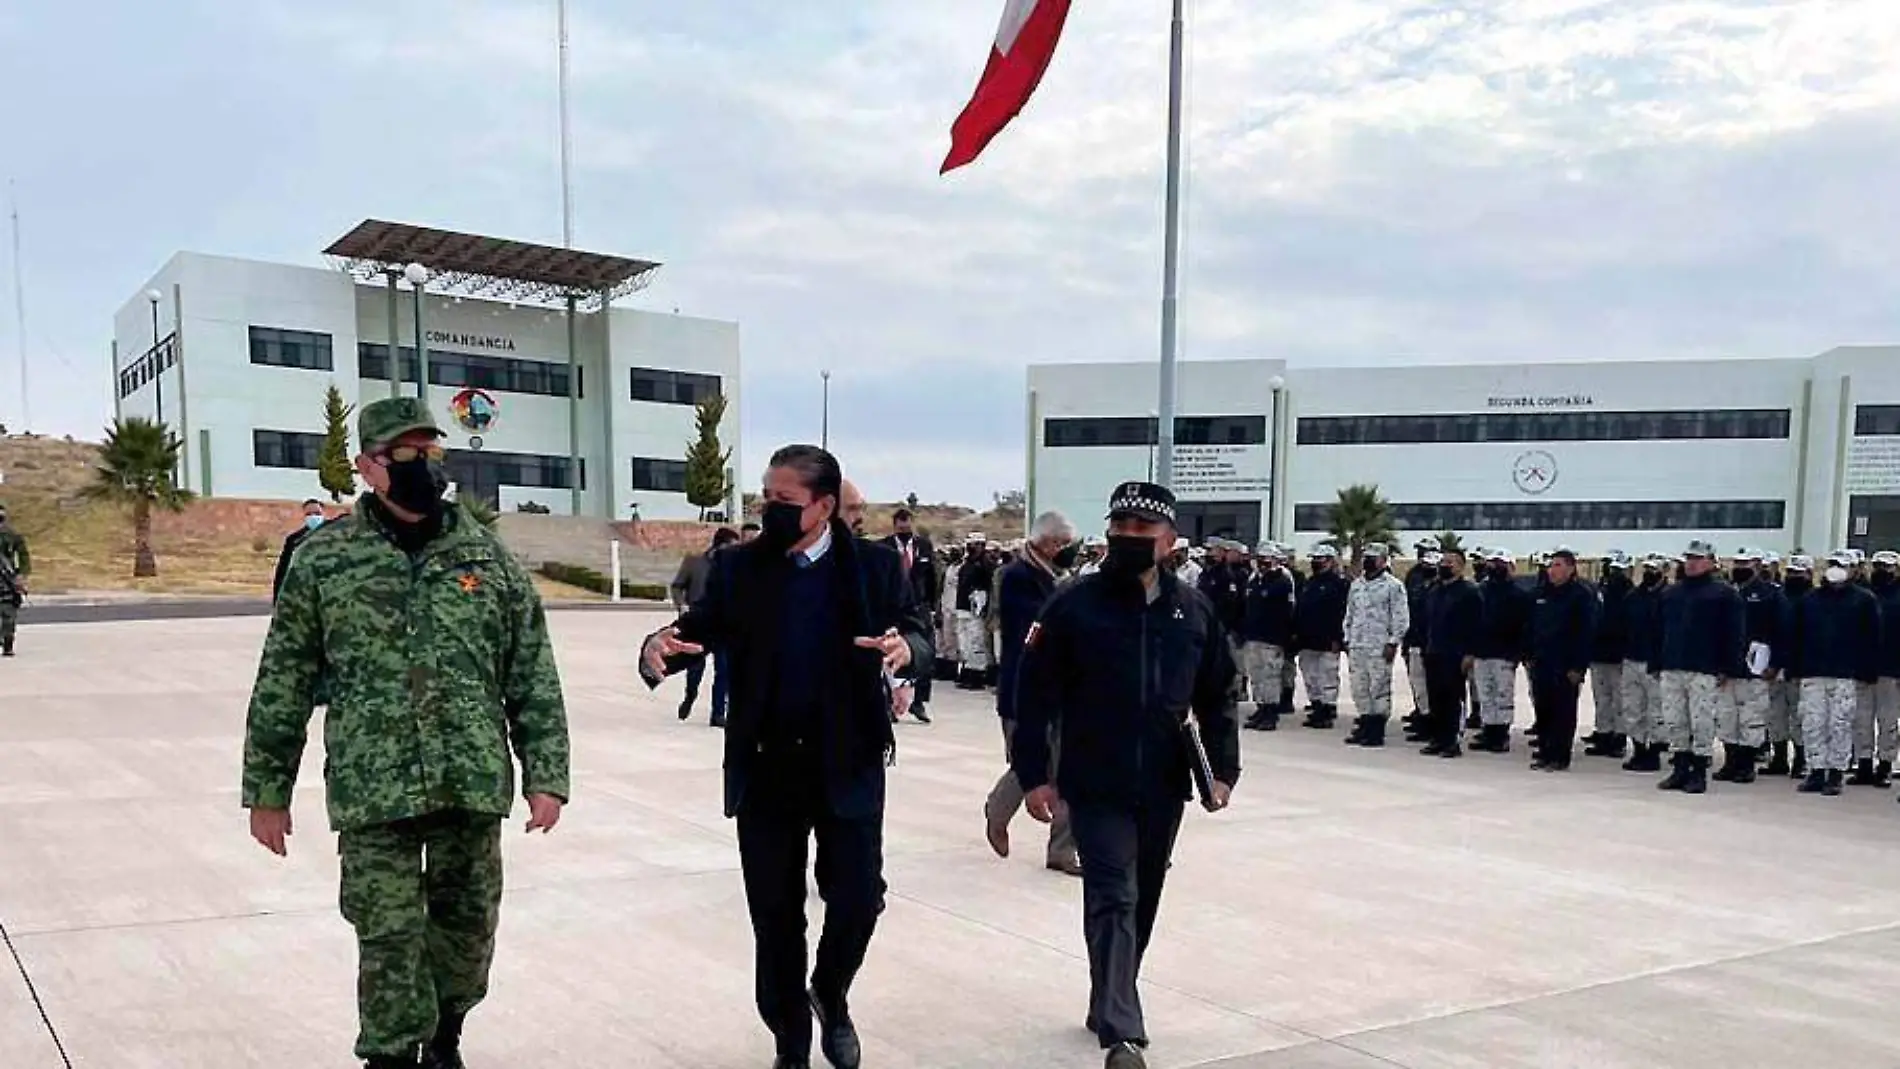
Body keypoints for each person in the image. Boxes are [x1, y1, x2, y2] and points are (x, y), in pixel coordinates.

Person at [240, 397, 572, 1069]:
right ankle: (390, 1055)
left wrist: (547, 772)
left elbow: (531, 670)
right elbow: (284, 678)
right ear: (367, 466)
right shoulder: (324, 560)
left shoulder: (487, 556)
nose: (423, 465)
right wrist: (266, 788)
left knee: (468, 929)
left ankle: (447, 1031)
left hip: (469, 778)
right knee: (387, 931)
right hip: (374, 786)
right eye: (405, 455)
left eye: (431, 452)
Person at [637, 445, 930, 1069]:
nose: (769, 509)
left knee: (857, 899)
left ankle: (830, 990)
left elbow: (918, 631)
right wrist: (660, 646)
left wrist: (907, 649)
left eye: (784, 501)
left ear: (824, 507)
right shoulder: (742, 568)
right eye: (765, 497)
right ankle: (790, 1040)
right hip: (767, 768)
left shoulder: (874, 569)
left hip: (847, 763)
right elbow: (699, 629)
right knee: (775, 918)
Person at [1013, 481, 1239, 1069]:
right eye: (1122, 528)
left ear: (1168, 541)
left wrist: (1222, 770)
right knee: (1113, 893)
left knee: (1144, 900)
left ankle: (1108, 995)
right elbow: (1033, 694)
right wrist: (1034, 775)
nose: (1130, 538)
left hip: (1164, 781)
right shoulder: (1072, 603)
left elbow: (1219, 695)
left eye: (1144, 530)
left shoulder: (1193, 611)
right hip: (1094, 779)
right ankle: (1123, 1032)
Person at [984, 510, 1082, 876]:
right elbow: (1035, 629)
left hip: (1065, 691)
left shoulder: (1060, 578)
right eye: (1065, 545)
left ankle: (1061, 850)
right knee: (1029, 765)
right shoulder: (1016, 577)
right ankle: (997, 809)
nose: (1069, 552)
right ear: (1050, 543)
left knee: (1069, 768)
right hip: (1025, 688)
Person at [1781, 551, 1881, 797]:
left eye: (1842, 566)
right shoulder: (1810, 600)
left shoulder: (1864, 600)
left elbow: (1873, 638)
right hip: (1813, 672)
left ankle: (1835, 773)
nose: (1836, 569)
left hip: (1846, 674)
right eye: (1833, 565)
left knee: (1840, 724)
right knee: (1813, 723)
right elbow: (1796, 636)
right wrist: (1793, 668)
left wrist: (1868, 670)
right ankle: (1816, 770)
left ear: (1852, 570)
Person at [1652, 540, 1747, 795]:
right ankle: (1680, 767)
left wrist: (1730, 666)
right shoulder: (1671, 593)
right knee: (1674, 719)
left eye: (1698, 558)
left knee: (1701, 720)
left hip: (1705, 668)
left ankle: (1699, 771)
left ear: (1711, 562)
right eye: (1689, 558)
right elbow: (1658, 630)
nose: (1692, 563)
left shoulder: (1724, 594)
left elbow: (1735, 633)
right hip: (1673, 665)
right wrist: (1656, 661)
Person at [1524, 548, 1599, 770]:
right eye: (1551, 565)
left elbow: (1586, 633)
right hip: (1541, 662)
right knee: (1543, 709)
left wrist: (1578, 666)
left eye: (1557, 565)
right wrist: (1528, 653)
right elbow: (1530, 626)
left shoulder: (1581, 595)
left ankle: (1560, 755)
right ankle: (1546, 751)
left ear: (1570, 568)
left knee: (1563, 712)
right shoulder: (1540, 594)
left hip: (1566, 665)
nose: (1552, 570)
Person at [1714, 549, 1784, 784]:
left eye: (1746, 563)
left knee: (1751, 717)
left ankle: (1746, 764)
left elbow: (1781, 631)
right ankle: (1730, 761)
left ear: (1757, 565)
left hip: (1756, 668)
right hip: (1728, 666)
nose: (1740, 567)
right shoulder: (1725, 592)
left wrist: (1775, 664)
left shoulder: (1771, 595)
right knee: (1726, 716)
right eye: (1738, 562)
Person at [671, 527, 742, 725]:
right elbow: (677, 586)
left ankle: (718, 713)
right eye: (732, 547)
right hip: (697, 623)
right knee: (695, 669)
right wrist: (682, 606)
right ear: (721, 545)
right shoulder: (694, 562)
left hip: (723, 626)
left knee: (724, 670)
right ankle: (690, 696)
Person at [1342, 543, 1409, 747]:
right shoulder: (1357, 585)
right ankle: (1364, 724)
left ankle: (1376, 730)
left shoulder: (1393, 586)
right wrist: (1347, 637)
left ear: (1383, 560)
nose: (1368, 561)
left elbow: (1401, 617)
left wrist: (1393, 642)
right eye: (1366, 557)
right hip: (1357, 645)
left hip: (1379, 646)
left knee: (1378, 688)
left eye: (1373, 557)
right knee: (1359, 688)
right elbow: (1350, 614)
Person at [1421, 549, 1483, 759]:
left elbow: (1476, 625)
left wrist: (1470, 653)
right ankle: (1437, 738)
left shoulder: (1469, 591)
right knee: (1435, 697)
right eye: (1443, 561)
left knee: (1453, 698)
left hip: (1456, 654)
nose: (1445, 565)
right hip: (1433, 651)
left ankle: (1452, 740)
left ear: (1461, 566)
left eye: (1451, 562)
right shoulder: (1434, 590)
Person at [1470, 550, 1532, 754]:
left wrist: (1521, 653)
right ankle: (1488, 731)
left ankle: (1501, 734)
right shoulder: (1480, 591)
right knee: (1485, 694)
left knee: (1502, 695)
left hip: (1505, 653)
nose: (1495, 567)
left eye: (1500, 563)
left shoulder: (1519, 594)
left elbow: (1524, 626)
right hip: (1481, 651)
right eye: (1493, 563)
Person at [882, 509, 940, 721]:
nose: (904, 529)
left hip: (921, 607)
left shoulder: (923, 547)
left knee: (926, 653)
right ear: (894, 525)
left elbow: (933, 578)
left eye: (908, 525)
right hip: (894, 607)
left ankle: (919, 702)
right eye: (900, 525)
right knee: (892, 655)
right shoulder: (884, 547)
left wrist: (933, 606)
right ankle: (890, 702)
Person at [1851, 549, 1900, 787]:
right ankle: (1864, 765)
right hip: (1862, 667)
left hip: (1891, 669)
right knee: (1861, 720)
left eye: (1887, 567)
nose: (1882, 571)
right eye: (1878, 566)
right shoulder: (1862, 596)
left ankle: (1885, 766)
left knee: (1888, 721)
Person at [1240, 543, 1297, 731]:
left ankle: (1270, 713)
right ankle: (1261, 708)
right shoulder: (1255, 579)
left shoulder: (1282, 580)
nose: (1262, 563)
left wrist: (1285, 637)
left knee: (1270, 677)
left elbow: (1287, 612)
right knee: (1256, 676)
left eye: (1267, 559)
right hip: (1254, 635)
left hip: (1272, 638)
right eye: (1260, 558)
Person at [1582, 553, 1633, 758]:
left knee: (1619, 699)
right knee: (1601, 697)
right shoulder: (1600, 591)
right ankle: (1603, 733)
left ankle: (1619, 737)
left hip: (1618, 653)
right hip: (1598, 652)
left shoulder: (1629, 595)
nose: (1613, 573)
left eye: (1617, 569)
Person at [1292, 544, 1348, 729]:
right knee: (1310, 677)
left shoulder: (1339, 584)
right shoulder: (1310, 582)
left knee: (1327, 676)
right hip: (1307, 639)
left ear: (1331, 561)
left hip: (1328, 640)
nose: (1316, 562)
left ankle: (1327, 710)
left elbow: (1342, 613)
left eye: (1320, 558)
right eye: (1314, 558)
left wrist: (1338, 639)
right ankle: (1316, 707)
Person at [1770, 555, 1815, 777]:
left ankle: (1801, 759)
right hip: (1775, 666)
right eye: (1791, 572)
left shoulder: (1814, 600)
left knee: (1799, 715)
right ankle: (1778, 758)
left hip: (1800, 667)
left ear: (1809, 574)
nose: (1794, 576)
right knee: (1775, 714)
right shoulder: (1777, 597)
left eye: (1799, 572)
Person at [1400, 537, 1441, 736]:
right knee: (1417, 680)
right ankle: (1421, 712)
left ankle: (1433, 720)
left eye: (1424, 551)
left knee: (1433, 683)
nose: (1420, 554)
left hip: (1433, 640)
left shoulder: (1441, 578)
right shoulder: (1413, 574)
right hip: (1413, 635)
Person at [953, 533, 996, 690]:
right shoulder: (967, 563)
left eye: (975, 544)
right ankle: (967, 672)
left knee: (976, 642)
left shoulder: (985, 563)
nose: (972, 547)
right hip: (962, 607)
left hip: (976, 609)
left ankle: (977, 676)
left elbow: (988, 585)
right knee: (964, 643)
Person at [272, 499, 329, 601]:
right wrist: (277, 599)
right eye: (309, 514)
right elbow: (283, 570)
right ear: (304, 516)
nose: (313, 517)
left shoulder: (335, 536)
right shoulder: (294, 540)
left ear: (324, 513)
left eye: (317, 513)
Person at [0, 501, 29, 658]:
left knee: (8, 614)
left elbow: (24, 556)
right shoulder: (12, 533)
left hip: (7, 580)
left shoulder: (12, 535)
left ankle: (7, 642)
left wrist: (21, 575)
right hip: (8, 580)